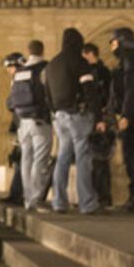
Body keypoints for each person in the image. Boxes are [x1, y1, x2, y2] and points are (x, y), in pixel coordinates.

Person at [44, 28, 103, 215]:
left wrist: (55, 111)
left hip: (59, 116)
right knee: (83, 158)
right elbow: (89, 90)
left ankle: (59, 201)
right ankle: (87, 203)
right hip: (78, 115)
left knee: (62, 158)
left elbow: (47, 94)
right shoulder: (80, 62)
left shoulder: (51, 65)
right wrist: (98, 116)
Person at [107, 27, 134, 213]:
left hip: (133, 115)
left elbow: (132, 89)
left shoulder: (130, 61)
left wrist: (125, 114)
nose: (111, 46)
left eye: (113, 42)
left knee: (132, 154)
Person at [10, 39, 54, 210]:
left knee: (26, 160)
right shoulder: (44, 68)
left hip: (23, 122)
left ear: (28, 52)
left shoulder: (19, 72)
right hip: (40, 119)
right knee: (40, 159)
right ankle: (36, 198)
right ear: (42, 51)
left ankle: (27, 198)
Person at [81, 43, 115, 207]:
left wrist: (102, 118)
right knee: (94, 160)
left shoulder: (101, 72)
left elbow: (106, 97)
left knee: (99, 159)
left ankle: (102, 197)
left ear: (89, 54)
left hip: (99, 118)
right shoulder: (102, 71)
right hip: (94, 117)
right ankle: (97, 196)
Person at [0, 52, 27, 206]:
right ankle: (16, 192)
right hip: (20, 124)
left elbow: (12, 103)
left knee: (23, 159)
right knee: (19, 159)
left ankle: (19, 194)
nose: (9, 71)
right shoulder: (16, 80)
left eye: (10, 67)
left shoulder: (22, 78)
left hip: (24, 124)